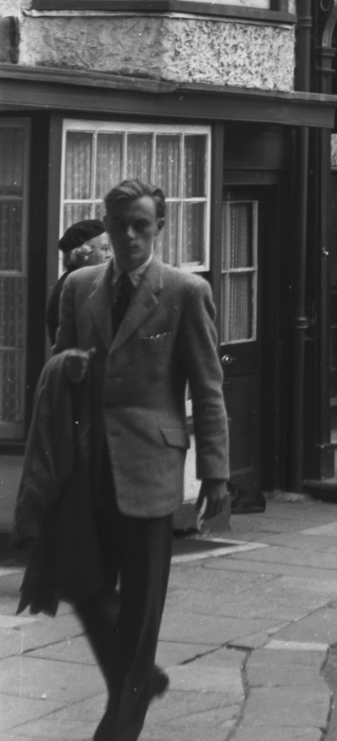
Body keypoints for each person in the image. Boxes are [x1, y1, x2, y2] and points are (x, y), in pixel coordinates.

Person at [55, 178, 229, 741]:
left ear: (159, 228)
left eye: (141, 225)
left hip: (151, 466)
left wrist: (216, 473)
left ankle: (119, 726)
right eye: (119, 224)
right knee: (80, 582)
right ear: (106, 226)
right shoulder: (79, 286)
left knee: (141, 606)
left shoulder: (184, 291)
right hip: (90, 463)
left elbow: (208, 386)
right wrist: (68, 369)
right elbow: (58, 362)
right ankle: (140, 679)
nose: (129, 235)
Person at [46, 219, 109, 345]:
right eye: (104, 249)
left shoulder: (91, 281)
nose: (110, 255)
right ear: (83, 254)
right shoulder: (72, 287)